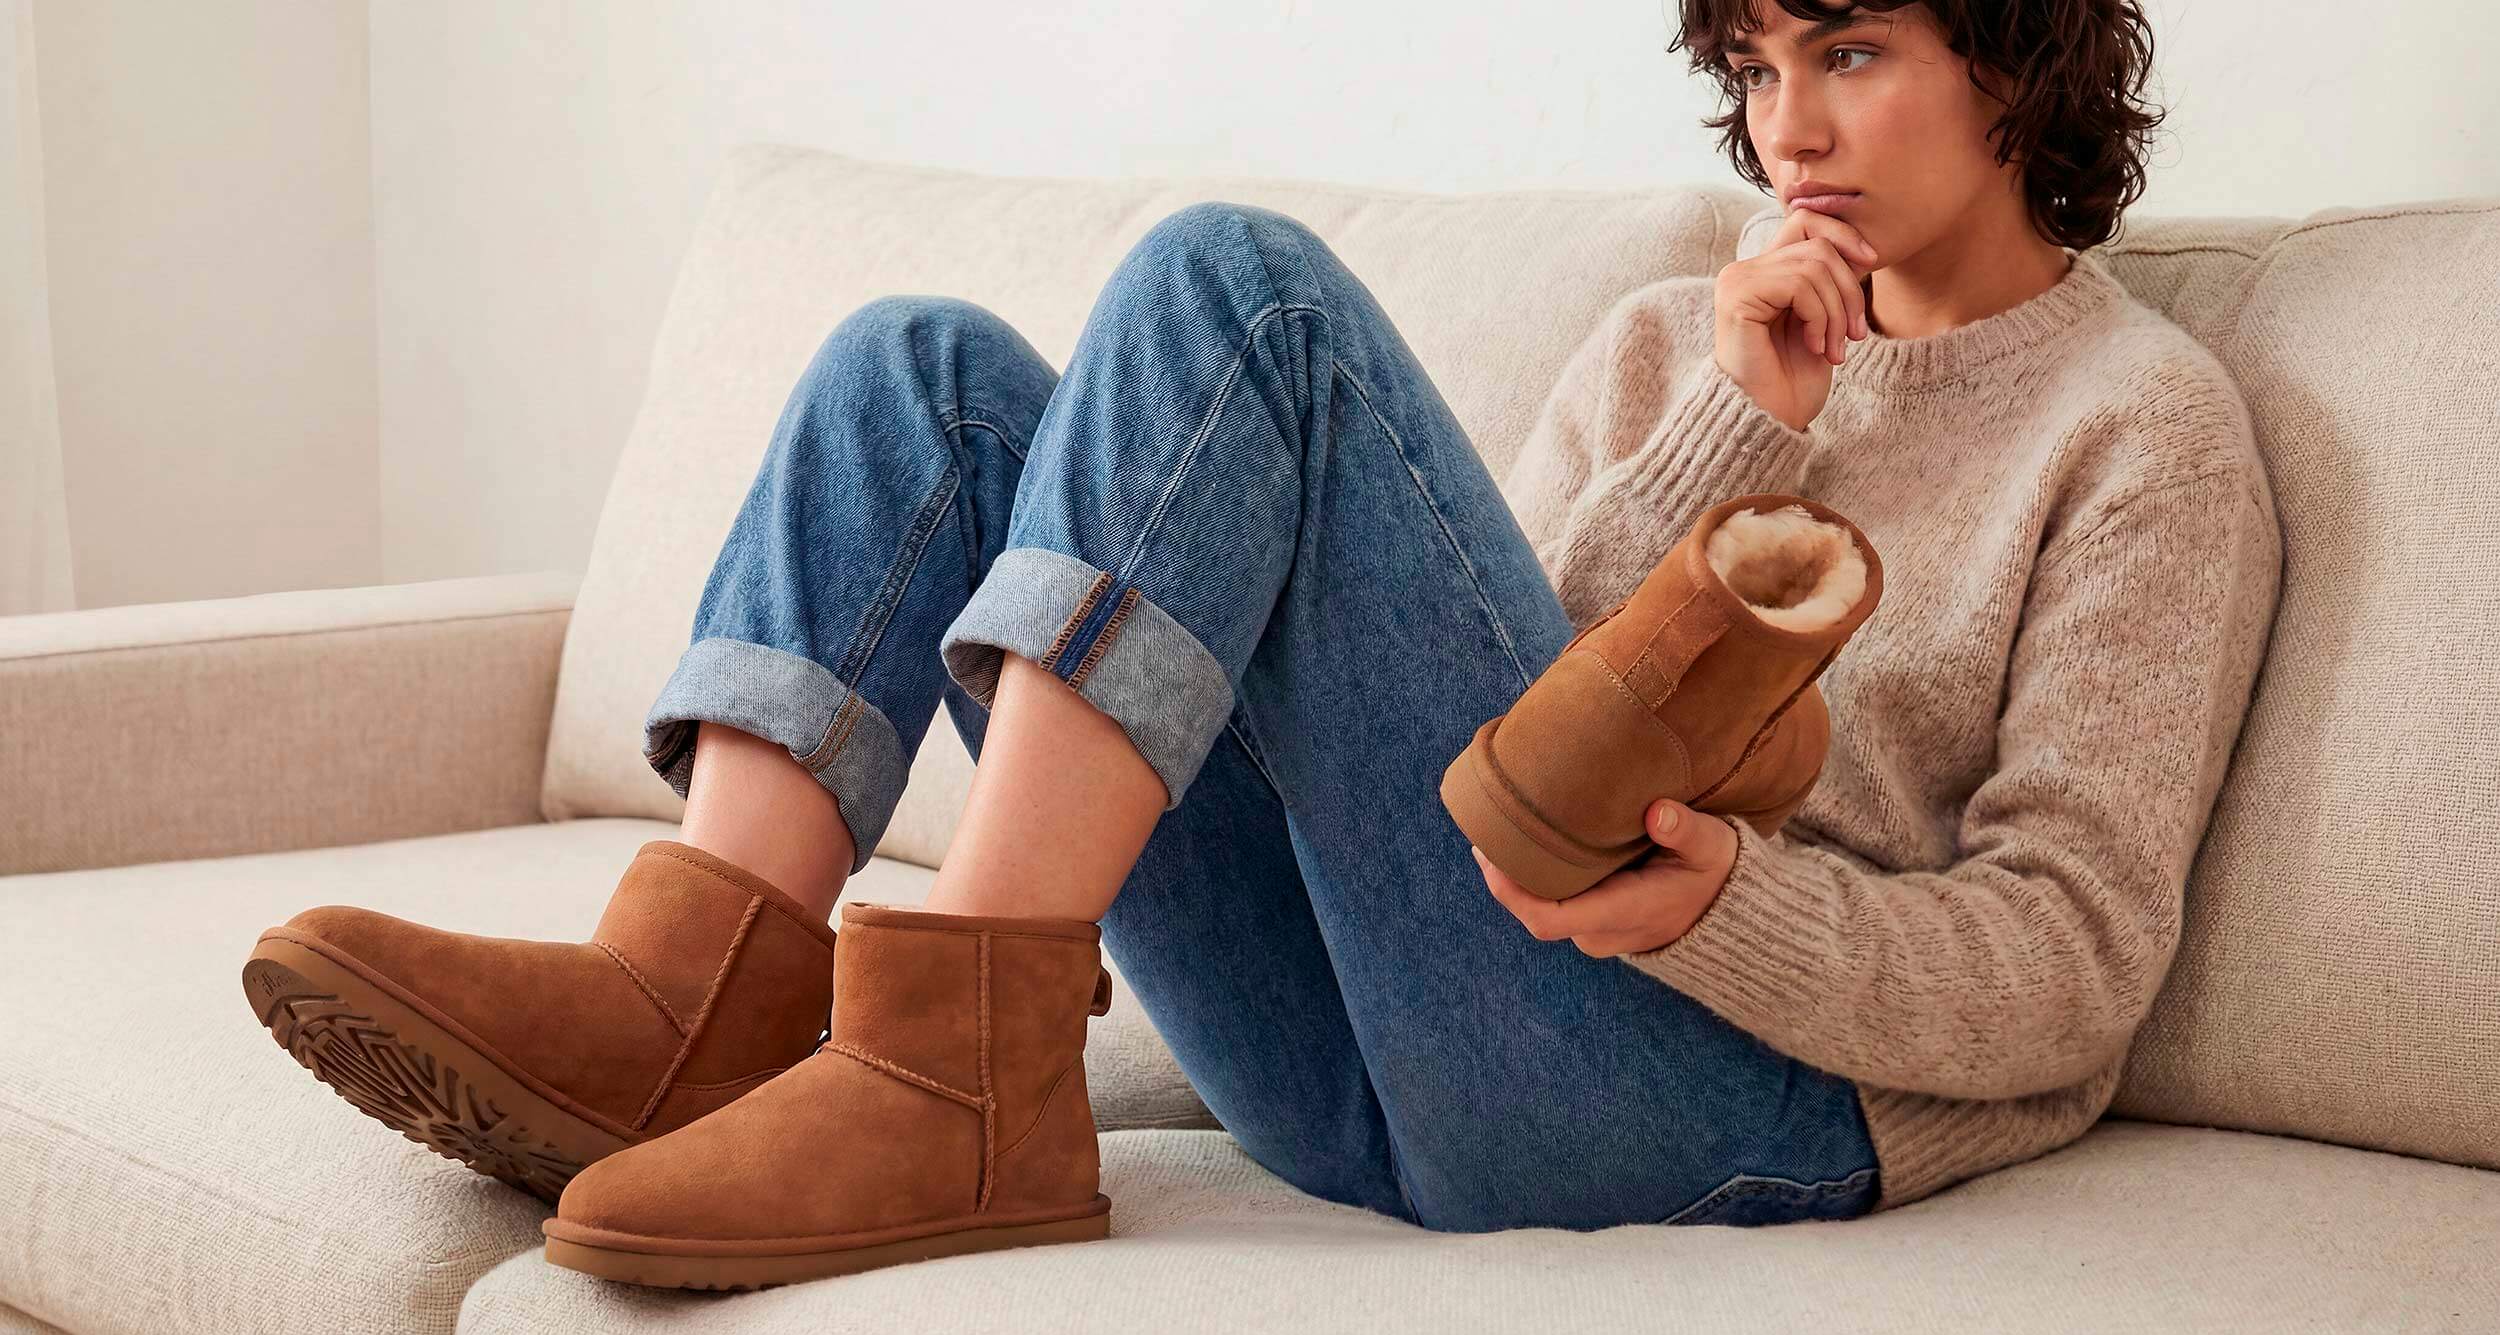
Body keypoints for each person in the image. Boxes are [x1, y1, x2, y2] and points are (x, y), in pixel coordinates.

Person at [242, 0, 2281, 1290]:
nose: (1783, 132)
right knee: (921, 376)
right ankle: (686, 994)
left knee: (1243, 293)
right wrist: (1734, 426)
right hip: (1375, 1052)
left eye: (1844, 50)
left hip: (1726, 1102)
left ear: (2015, 55)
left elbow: (2067, 968)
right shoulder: (1679, 342)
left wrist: (1718, 906)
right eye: (1750, 67)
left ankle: (953, 1069)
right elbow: (1514, 722)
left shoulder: (2137, 427)